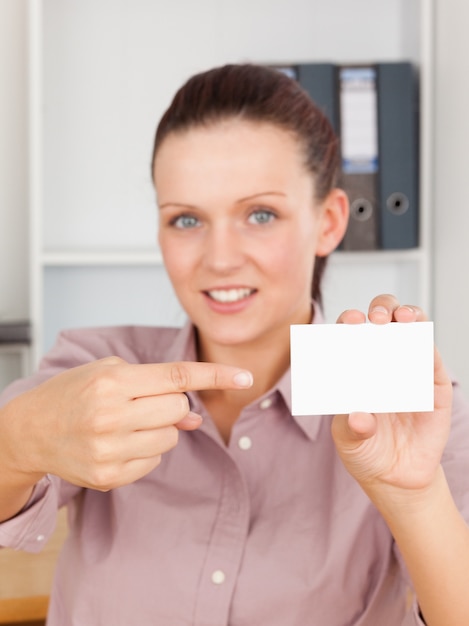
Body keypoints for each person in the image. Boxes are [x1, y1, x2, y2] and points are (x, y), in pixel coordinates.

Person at [0, 63, 468, 626]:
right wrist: (16, 445)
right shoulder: (95, 366)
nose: (219, 258)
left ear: (329, 220)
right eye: (186, 219)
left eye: (260, 214)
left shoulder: (409, 412)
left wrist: (416, 500)